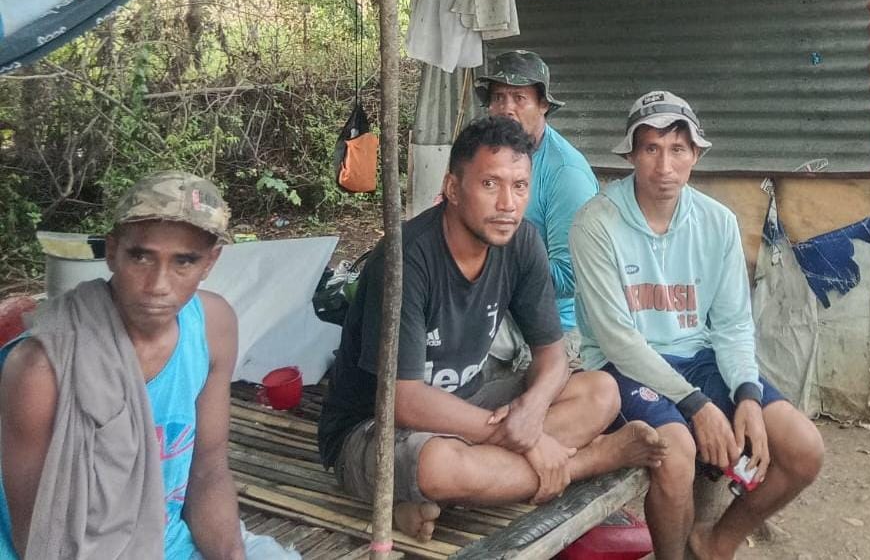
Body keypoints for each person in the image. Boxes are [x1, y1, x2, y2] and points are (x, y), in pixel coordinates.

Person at [317, 116, 667, 542]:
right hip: (374, 426)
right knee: (440, 465)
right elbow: (403, 401)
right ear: (452, 189)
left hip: (468, 403)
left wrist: (533, 408)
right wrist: (526, 440)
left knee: (601, 392)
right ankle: (583, 463)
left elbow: (552, 356)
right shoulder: (405, 259)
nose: (508, 204)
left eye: (519, 186)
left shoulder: (522, 243)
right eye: (490, 184)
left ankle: (442, 492)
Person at [570, 92, 824, 560]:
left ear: (697, 154)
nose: (664, 166)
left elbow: (732, 324)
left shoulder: (717, 222)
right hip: (622, 366)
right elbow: (617, 339)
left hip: (698, 357)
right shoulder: (596, 223)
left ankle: (713, 545)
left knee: (804, 448)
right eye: (651, 149)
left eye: (678, 149)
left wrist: (747, 394)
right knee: (675, 452)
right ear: (630, 155)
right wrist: (698, 406)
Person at [0, 171, 261, 559]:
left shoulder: (212, 328)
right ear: (112, 252)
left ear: (210, 262)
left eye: (184, 261)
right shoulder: (41, 367)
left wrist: (232, 555)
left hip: (166, 541)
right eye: (141, 256)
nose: (158, 285)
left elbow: (208, 470)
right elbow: (38, 535)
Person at [476, 50, 599, 364]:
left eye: (519, 98)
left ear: (543, 105)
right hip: (493, 307)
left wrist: (491, 266)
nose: (507, 108)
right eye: (499, 97)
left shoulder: (566, 174)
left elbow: (571, 277)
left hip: (552, 329)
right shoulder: (481, 154)